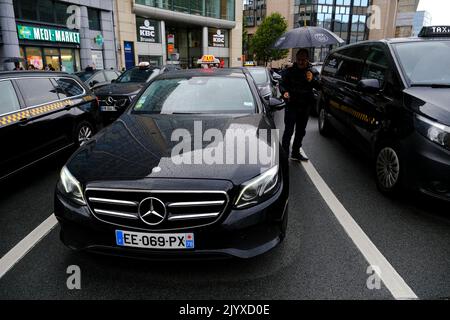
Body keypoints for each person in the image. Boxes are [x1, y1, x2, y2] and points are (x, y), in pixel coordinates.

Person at [280, 49, 320, 162]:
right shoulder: (289, 71)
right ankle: (284, 155)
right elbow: (282, 84)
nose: (301, 62)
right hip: (292, 105)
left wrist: (312, 80)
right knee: (288, 131)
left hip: (305, 106)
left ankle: (296, 152)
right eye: (298, 60)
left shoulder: (312, 71)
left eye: (303, 60)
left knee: (301, 131)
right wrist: (284, 92)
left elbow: (319, 86)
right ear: (296, 59)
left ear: (307, 59)